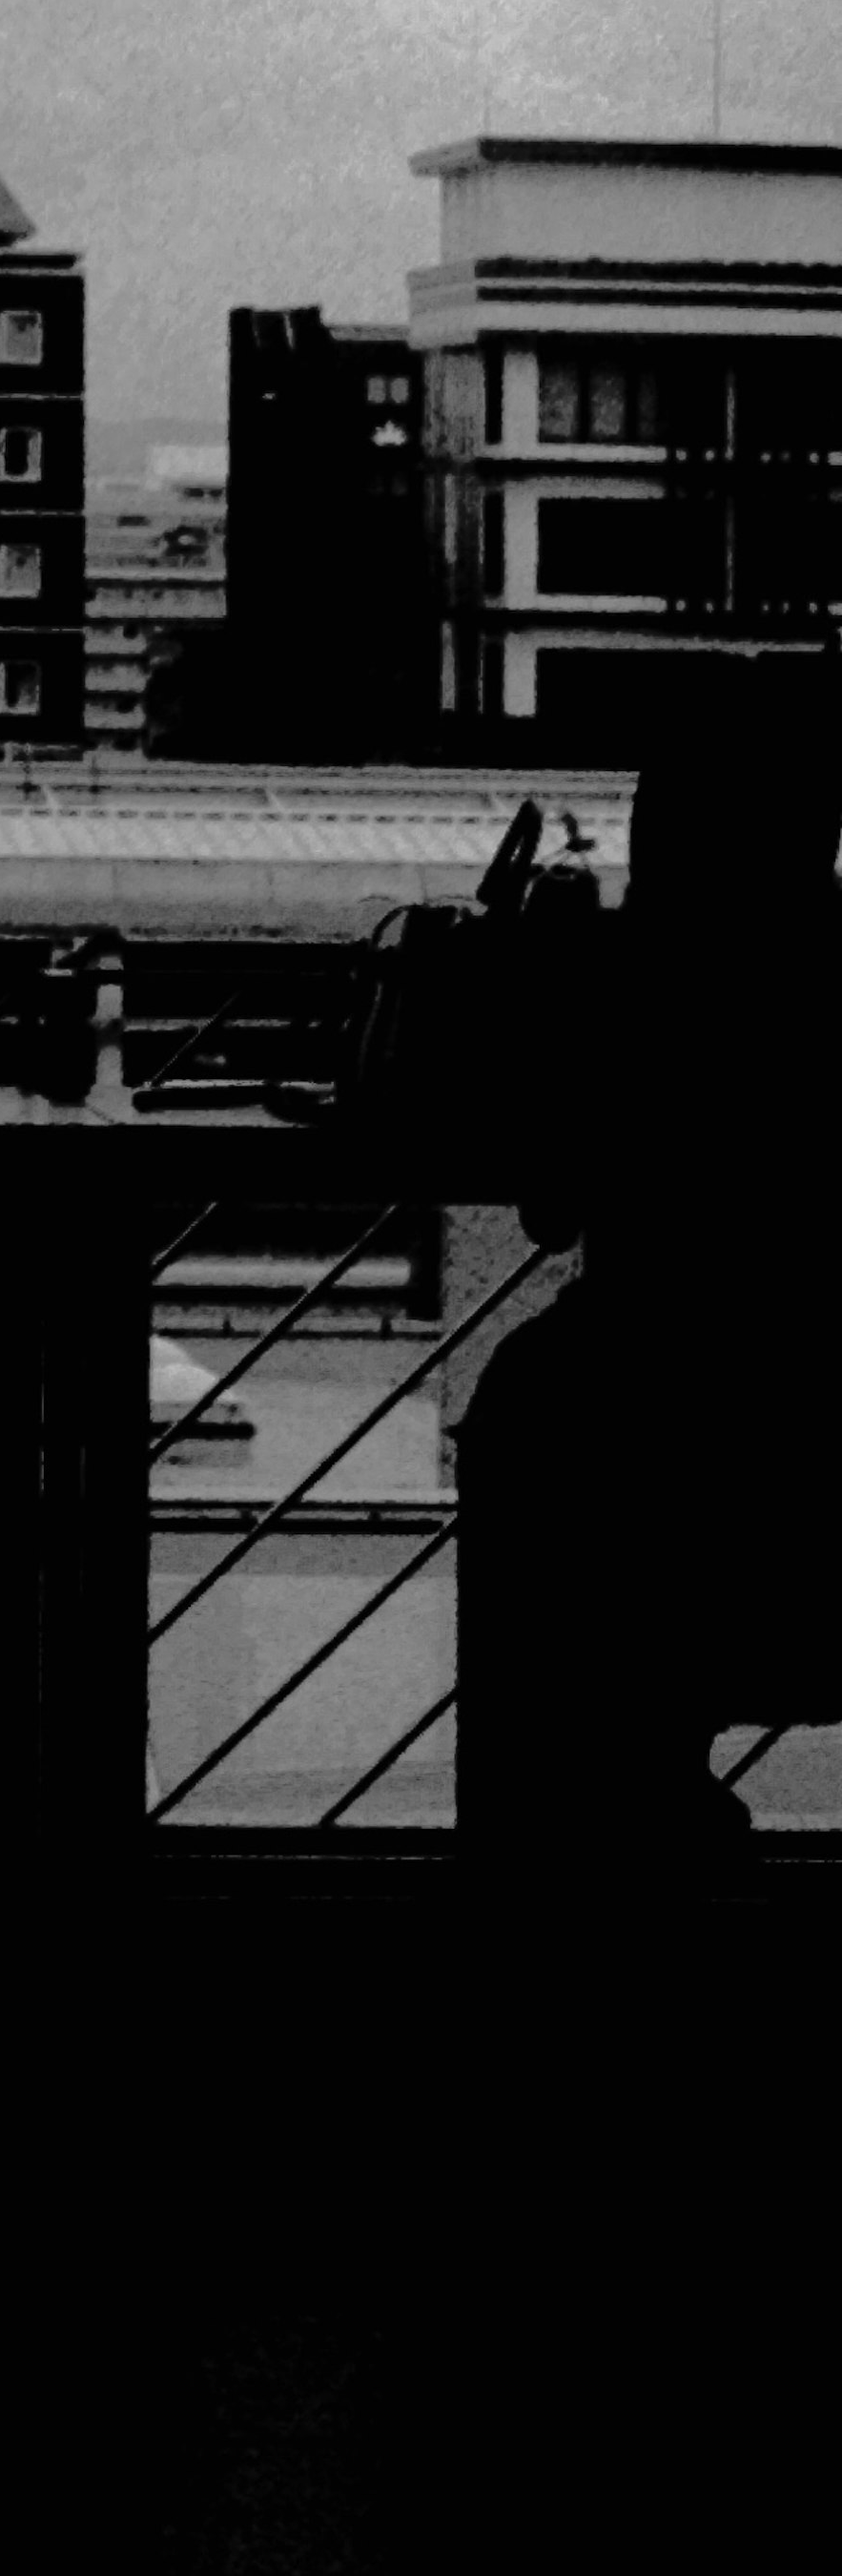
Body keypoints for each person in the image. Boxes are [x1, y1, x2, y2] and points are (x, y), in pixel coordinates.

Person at [454, 653, 842, 1854]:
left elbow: (547, 1206)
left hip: (632, 1451)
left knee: (537, 1410)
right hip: (816, 1459)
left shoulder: (621, 978)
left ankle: (604, 1841)